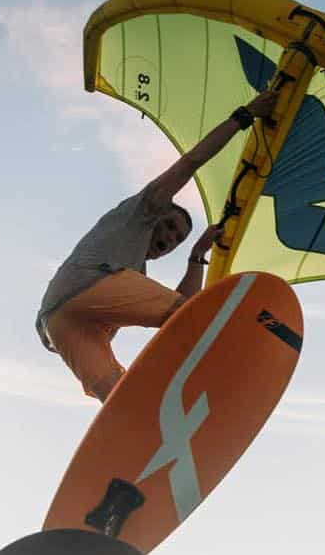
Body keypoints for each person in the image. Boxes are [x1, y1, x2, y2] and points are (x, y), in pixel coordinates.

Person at [35, 88, 280, 401]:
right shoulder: (144, 208)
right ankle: (240, 354)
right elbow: (193, 160)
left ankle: (135, 432)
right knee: (188, 315)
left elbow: (183, 307)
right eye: (169, 227)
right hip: (85, 279)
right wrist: (244, 115)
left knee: (118, 397)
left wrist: (197, 255)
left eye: (177, 241)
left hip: (57, 321)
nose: (169, 239)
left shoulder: (133, 276)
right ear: (159, 213)